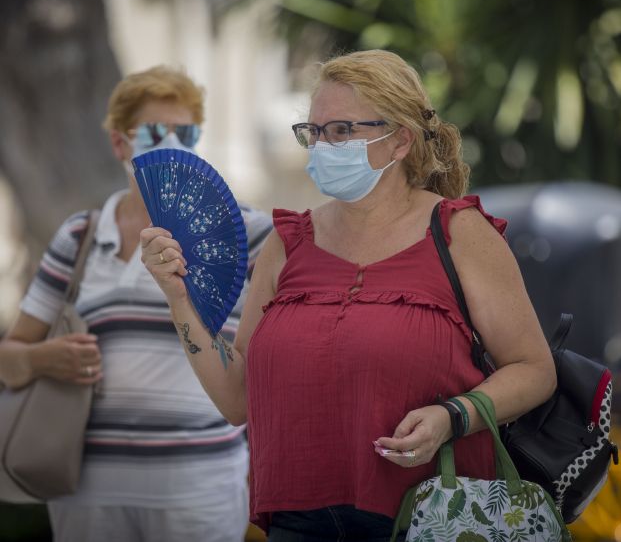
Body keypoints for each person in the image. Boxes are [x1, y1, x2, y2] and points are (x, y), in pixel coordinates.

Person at [140, 50, 557, 541]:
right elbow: (237, 400)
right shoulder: (287, 242)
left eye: (340, 131)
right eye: (313, 132)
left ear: (400, 140)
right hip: (299, 522)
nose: (321, 146)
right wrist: (178, 300)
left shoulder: (459, 233)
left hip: (433, 515)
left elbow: (534, 370)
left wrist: (452, 417)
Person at [0, 66, 272, 542]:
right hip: (87, 490)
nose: (170, 141)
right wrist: (45, 358)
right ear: (118, 143)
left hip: (202, 486)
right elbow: (9, 358)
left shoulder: (247, 235)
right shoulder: (80, 236)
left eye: (184, 131)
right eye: (151, 131)